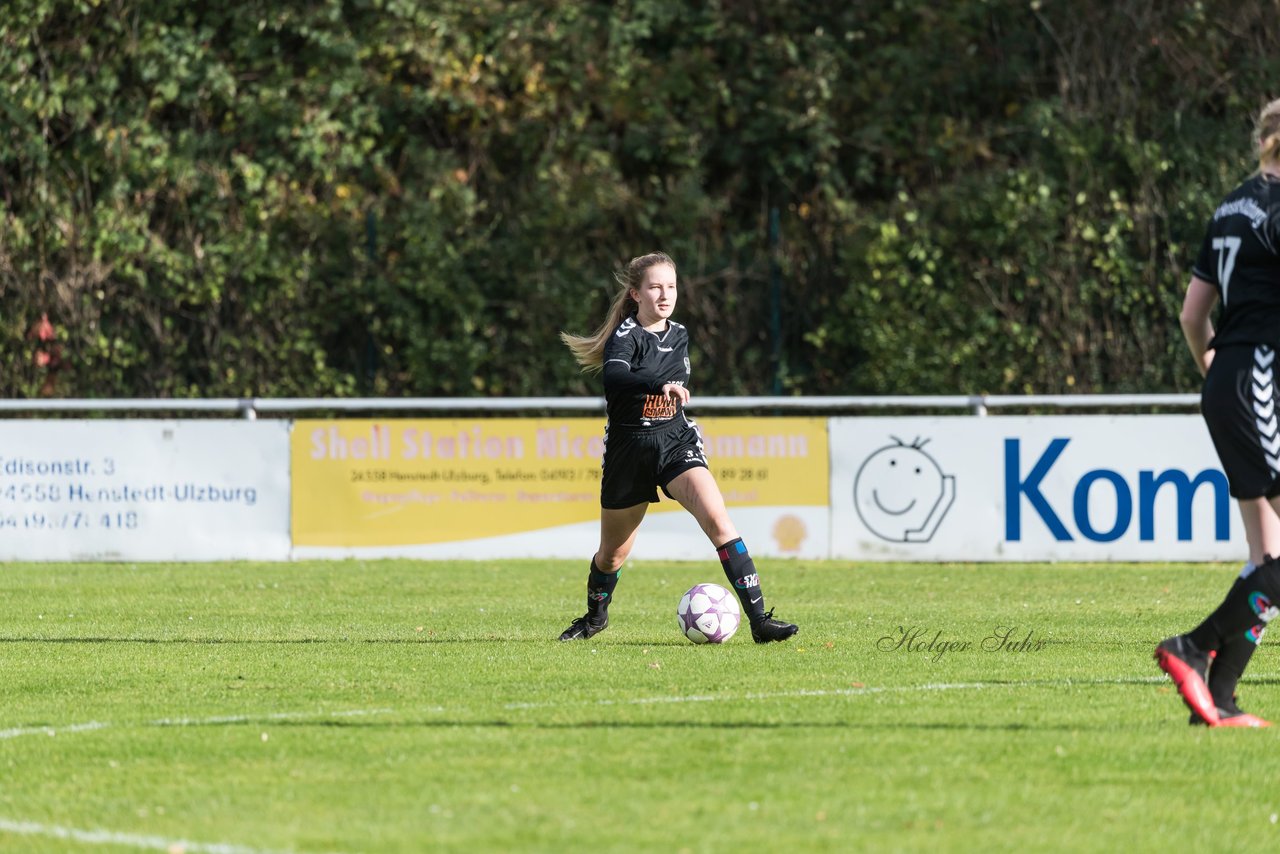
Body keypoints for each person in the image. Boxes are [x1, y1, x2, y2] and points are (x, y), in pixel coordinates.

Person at [556, 251, 799, 644]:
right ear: (635, 293)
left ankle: (759, 621)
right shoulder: (626, 336)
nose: (664, 294)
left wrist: (664, 393)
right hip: (629, 450)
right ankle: (595, 618)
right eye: (654, 287)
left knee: (720, 523)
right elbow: (616, 377)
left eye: (671, 286)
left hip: (674, 441)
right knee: (611, 556)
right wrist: (656, 385)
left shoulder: (680, 333)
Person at [1155, 97, 1280, 728]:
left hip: (1236, 380)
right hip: (1261, 382)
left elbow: (1191, 314)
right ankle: (1191, 646)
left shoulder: (1232, 206)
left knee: (1270, 556)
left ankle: (1221, 697)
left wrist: (1217, 373)